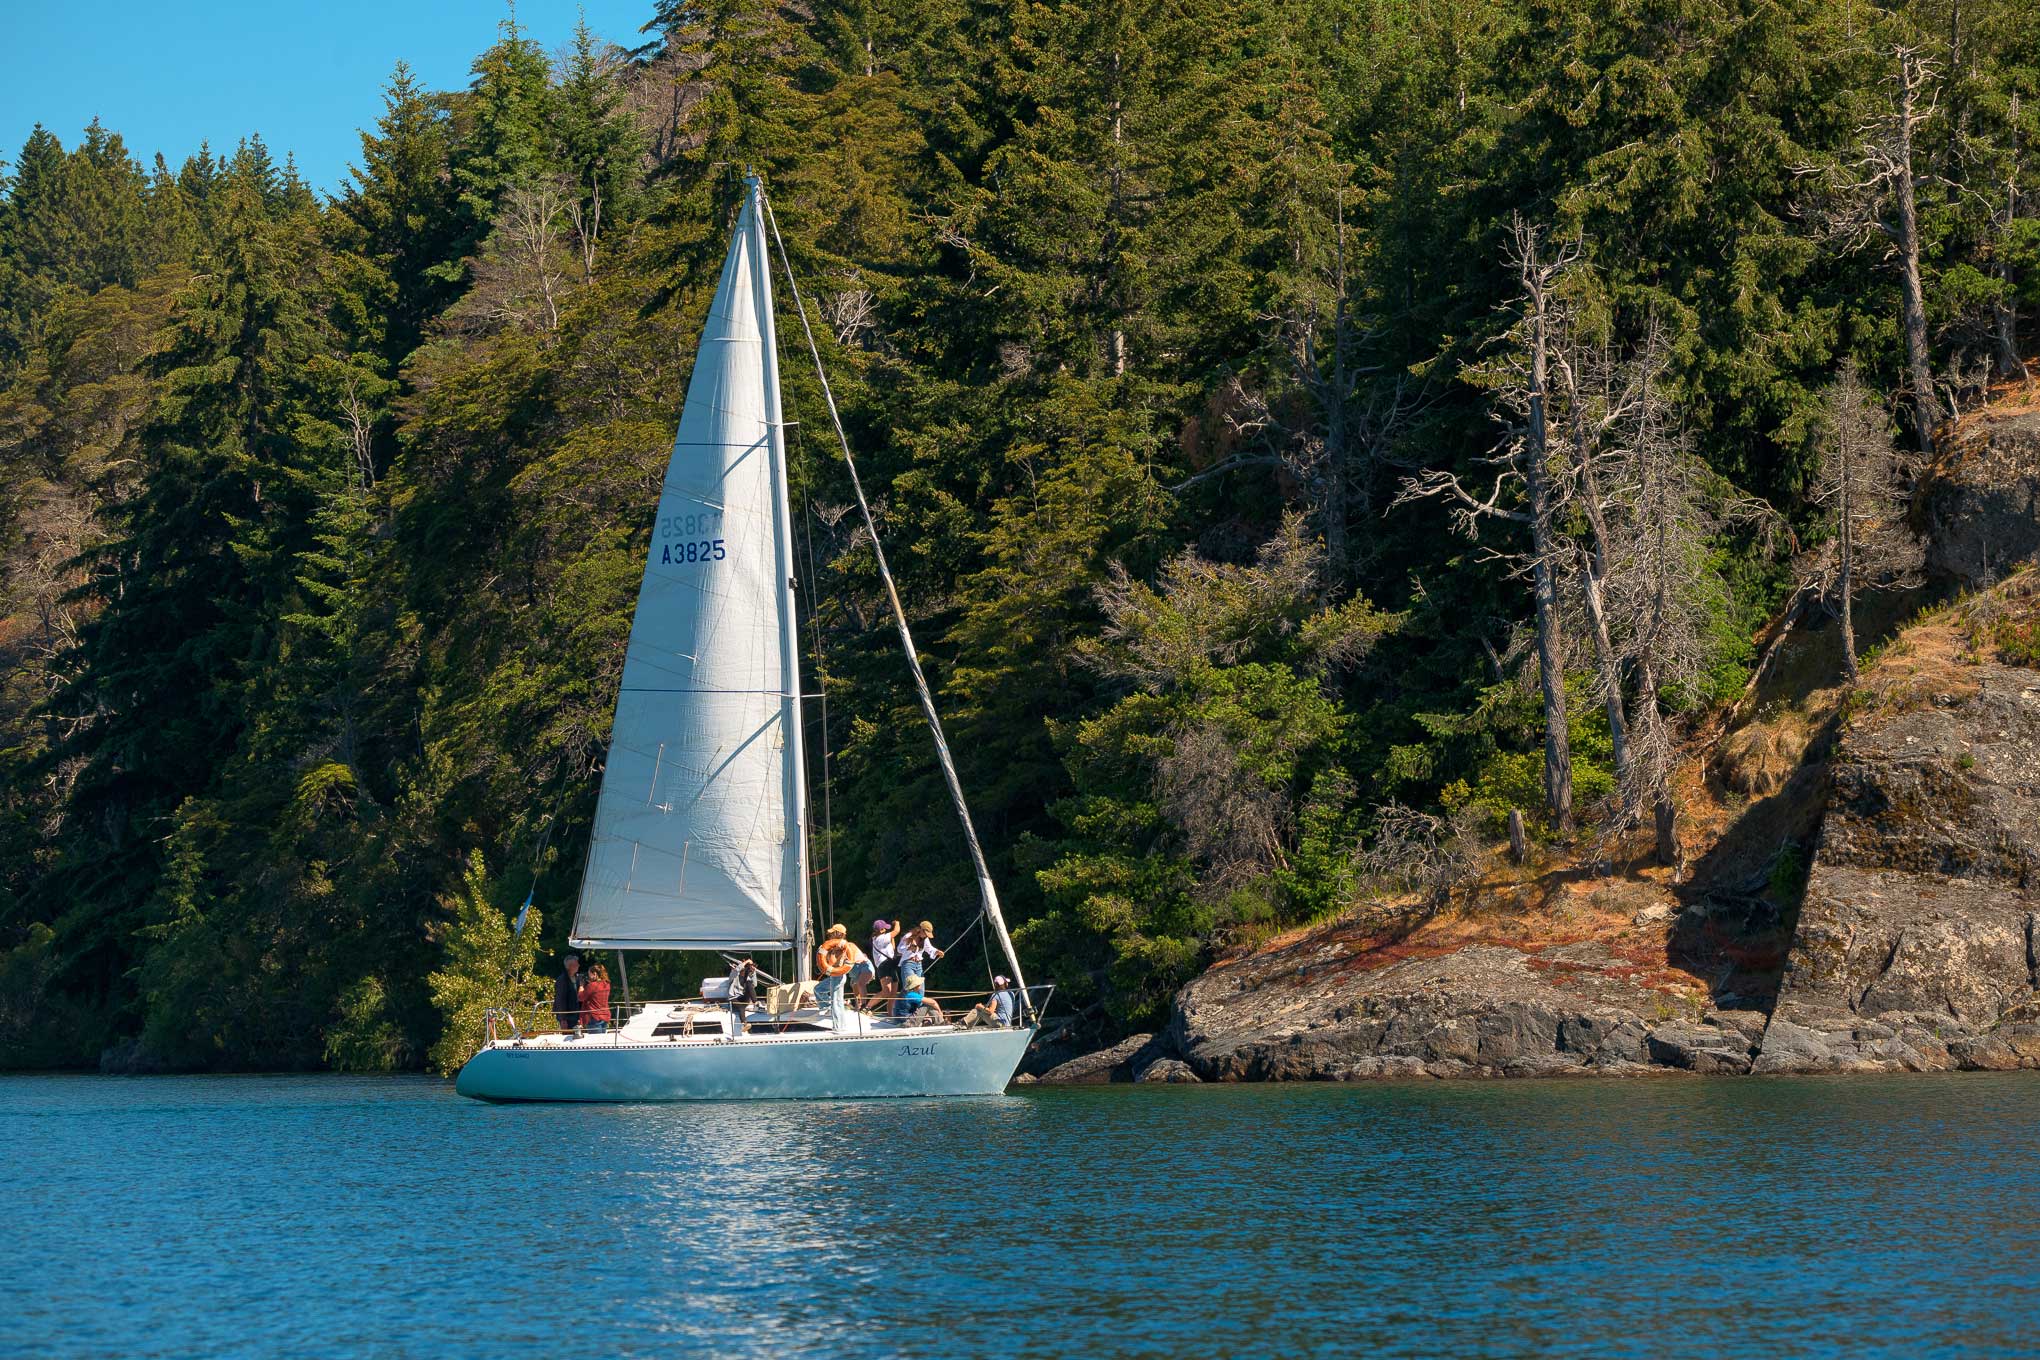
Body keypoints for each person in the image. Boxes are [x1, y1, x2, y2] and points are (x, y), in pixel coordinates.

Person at [814, 924, 856, 1027]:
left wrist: (831, 952)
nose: (830, 934)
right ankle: (826, 1007)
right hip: (834, 977)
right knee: (818, 989)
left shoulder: (844, 947)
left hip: (838, 976)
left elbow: (832, 963)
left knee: (836, 1002)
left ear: (838, 934)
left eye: (832, 933)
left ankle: (839, 1026)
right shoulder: (832, 946)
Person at [897, 920, 943, 987]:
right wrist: (908, 948)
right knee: (911, 988)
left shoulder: (925, 939)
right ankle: (902, 996)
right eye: (926, 933)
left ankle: (902, 996)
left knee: (920, 991)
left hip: (919, 965)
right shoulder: (909, 936)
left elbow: (929, 948)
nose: (926, 936)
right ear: (921, 930)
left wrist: (937, 951)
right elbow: (899, 949)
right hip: (908, 964)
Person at [868, 919, 901, 1006]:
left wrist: (892, 938)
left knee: (893, 993)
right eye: (885, 928)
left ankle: (891, 1014)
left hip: (890, 964)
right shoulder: (881, 938)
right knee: (887, 991)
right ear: (881, 930)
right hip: (884, 965)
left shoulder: (880, 938)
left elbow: (893, 949)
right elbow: (896, 931)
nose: (886, 930)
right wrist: (897, 923)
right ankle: (867, 1007)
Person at [727, 957, 760, 1034]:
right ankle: (744, 1024)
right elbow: (737, 970)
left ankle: (756, 1002)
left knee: (749, 984)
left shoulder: (747, 978)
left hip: (744, 998)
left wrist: (754, 972)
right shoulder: (733, 976)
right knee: (741, 1007)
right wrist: (746, 962)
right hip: (734, 998)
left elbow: (754, 985)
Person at [553, 954, 584, 1034]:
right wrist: (563, 1019)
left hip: (576, 1014)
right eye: (576, 964)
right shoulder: (562, 980)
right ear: (570, 966)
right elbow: (560, 1000)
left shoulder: (577, 978)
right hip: (567, 1016)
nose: (579, 965)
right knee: (568, 1036)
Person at [581, 963, 613, 1034]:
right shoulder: (607, 984)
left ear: (594, 974)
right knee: (601, 1042)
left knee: (594, 1041)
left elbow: (581, 997)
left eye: (589, 974)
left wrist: (581, 986)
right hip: (605, 1016)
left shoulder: (592, 985)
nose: (588, 976)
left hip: (594, 1017)